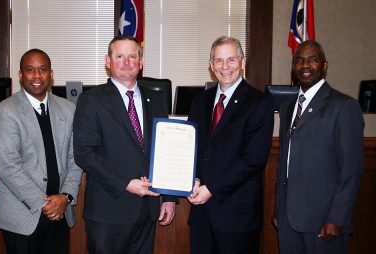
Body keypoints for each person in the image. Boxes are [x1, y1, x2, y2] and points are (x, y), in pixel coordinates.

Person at [73, 35, 177, 253]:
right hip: (108, 212)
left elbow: (165, 152)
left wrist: (169, 198)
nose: (127, 62)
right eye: (119, 56)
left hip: (147, 211)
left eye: (132, 56)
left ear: (141, 62)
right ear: (108, 61)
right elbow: (84, 153)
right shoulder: (91, 100)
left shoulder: (156, 99)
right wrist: (125, 183)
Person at [273, 40, 364, 254]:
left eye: (312, 60)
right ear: (293, 67)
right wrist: (280, 209)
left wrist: (337, 218)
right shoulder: (287, 108)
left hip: (323, 221)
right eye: (299, 60)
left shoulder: (344, 106)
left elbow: (352, 170)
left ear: (324, 66)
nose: (305, 65)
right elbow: (283, 163)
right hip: (288, 220)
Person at [187, 36, 274, 254]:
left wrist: (212, 188)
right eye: (218, 60)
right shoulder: (200, 100)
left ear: (243, 63)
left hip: (237, 217)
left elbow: (253, 160)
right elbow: (190, 147)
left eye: (231, 60)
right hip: (202, 215)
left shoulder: (259, 103)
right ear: (211, 66)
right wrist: (191, 179)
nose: (225, 67)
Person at [0, 49, 82, 254]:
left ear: (51, 74)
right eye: (30, 70)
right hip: (22, 217)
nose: (37, 76)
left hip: (60, 213)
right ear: (21, 75)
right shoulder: (4, 112)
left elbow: (75, 159)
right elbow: (8, 167)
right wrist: (45, 204)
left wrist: (65, 197)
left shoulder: (68, 109)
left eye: (43, 69)